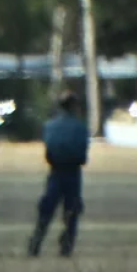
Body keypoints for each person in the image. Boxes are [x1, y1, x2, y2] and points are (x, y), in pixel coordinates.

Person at [28, 91, 90, 258]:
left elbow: (48, 151)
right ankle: (66, 247)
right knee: (71, 211)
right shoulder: (80, 127)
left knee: (46, 210)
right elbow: (83, 155)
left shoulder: (50, 126)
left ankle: (35, 243)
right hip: (73, 173)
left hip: (55, 171)